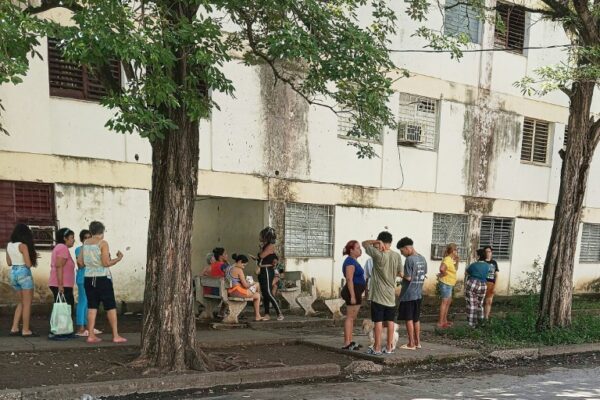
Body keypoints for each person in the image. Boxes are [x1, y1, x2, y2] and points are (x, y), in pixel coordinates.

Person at [76, 221, 127, 344]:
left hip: (88, 278)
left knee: (92, 306)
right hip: (102, 278)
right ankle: (115, 335)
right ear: (102, 232)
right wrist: (118, 258)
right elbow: (106, 263)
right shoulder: (102, 243)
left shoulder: (85, 244)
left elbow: (80, 262)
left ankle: (91, 335)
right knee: (110, 307)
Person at [362, 231, 402, 355]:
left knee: (378, 322)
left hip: (378, 296)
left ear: (381, 242)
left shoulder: (378, 255)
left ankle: (377, 347)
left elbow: (364, 243)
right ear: (390, 242)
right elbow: (400, 273)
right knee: (390, 322)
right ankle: (389, 347)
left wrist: (376, 242)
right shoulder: (396, 256)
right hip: (391, 295)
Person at [7, 224, 38, 337]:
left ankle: (14, 328)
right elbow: (28, 264)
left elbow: (9, 263)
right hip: (24, 273)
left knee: (21, 302)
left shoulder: (9, 245)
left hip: (13, 273)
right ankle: (25, 330)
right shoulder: (23, 246)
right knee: (27, 303)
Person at [396, 237, 428, 350]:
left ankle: (411, 343)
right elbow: (424, 273)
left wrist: (400, 274)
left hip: (408, 294)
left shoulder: (409, 260)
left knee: (408, 319)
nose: (402, 254)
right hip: (418, 293)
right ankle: (418, 342)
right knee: (416, 319)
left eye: (402, 251)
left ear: (407, 248)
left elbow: (408, 277)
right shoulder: (422, 258)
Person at [48, 227, 76, 336]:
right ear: (65, 238)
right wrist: (60, 285)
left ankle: (63, 330)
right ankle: (61, 331)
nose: (73, 240)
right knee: (65, 308)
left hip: (62, 283)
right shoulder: (62, 248)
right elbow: (59, 266)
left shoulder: (60, 247)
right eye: (72, 238)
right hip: (61, 284)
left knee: (64, 307)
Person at [74, 230, 102, 337]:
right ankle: (80, 327)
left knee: (89, 303)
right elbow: (80, 264)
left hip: (92, 278)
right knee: (82, 302)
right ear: (81, 240)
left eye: (89, 237)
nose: (88, 239)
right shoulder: (79, 249)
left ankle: (88, 326)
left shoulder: (94, 249)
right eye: (85, 237)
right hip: (83, 278)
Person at [340, 240, 366, 350]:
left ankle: (350, 340)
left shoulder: (354, 260)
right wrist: (353, 296)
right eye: (357, 248)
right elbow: (349, 279)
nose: (360, 250)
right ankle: (347, 342)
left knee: (352, 318)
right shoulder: (350, 261)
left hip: (357, 290)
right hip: (353, 290)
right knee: (350, 317)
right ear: (351, 250)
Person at [254, 227, 283, 321]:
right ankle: (267, 314)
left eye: (262, 235)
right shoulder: (265, 246)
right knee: (265, 293)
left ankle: (279, 313)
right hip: (262, 270)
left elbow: (262, 255)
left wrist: (259, 254)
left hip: (267, 270)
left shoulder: (270, 245)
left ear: (266, 236)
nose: (260, 237)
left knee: (268, 292)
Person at [226, 254, 265, 321]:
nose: (243, 267)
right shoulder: (239, 270)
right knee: (257, 284)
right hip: (237, 292)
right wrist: (252, 283)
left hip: (230, 291)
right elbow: (246, 286)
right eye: (243, 265)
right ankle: (259, 308)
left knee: (257, 295)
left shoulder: (228, 268)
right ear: (240, 261)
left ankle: (258, 315)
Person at [465, 249, 491, 327]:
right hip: (483, 284)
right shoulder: (488, 266)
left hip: (473, 283)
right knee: (480, 304)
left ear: (478, 256)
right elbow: (489, 276)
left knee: (472, 304)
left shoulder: (474, 265)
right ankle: (481, 323)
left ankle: (471, 325)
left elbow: (467, 272)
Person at [437, 243, 459, 329]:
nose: (457, 251)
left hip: (449, 284)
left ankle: (444, 321)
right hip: (446, 283)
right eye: (456, 250)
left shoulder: (450, 259)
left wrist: (457, 261)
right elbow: (442, 268)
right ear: (453, 251)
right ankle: (440, 322)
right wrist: (443, 274)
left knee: (447, 303)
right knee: (444, 303)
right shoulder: (447, 259)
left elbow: (455, 269)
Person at [482, 246, 499, 320]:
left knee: (489, 302)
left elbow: (497, 275)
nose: (488, 253)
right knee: (480, 302)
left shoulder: (494, 262)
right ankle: (479, 317)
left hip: (491, 284)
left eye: (489, 251)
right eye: (486, 251)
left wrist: (495, 286)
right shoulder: (481, 261)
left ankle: (486, 318)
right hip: (482, 283)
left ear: (491, 253)